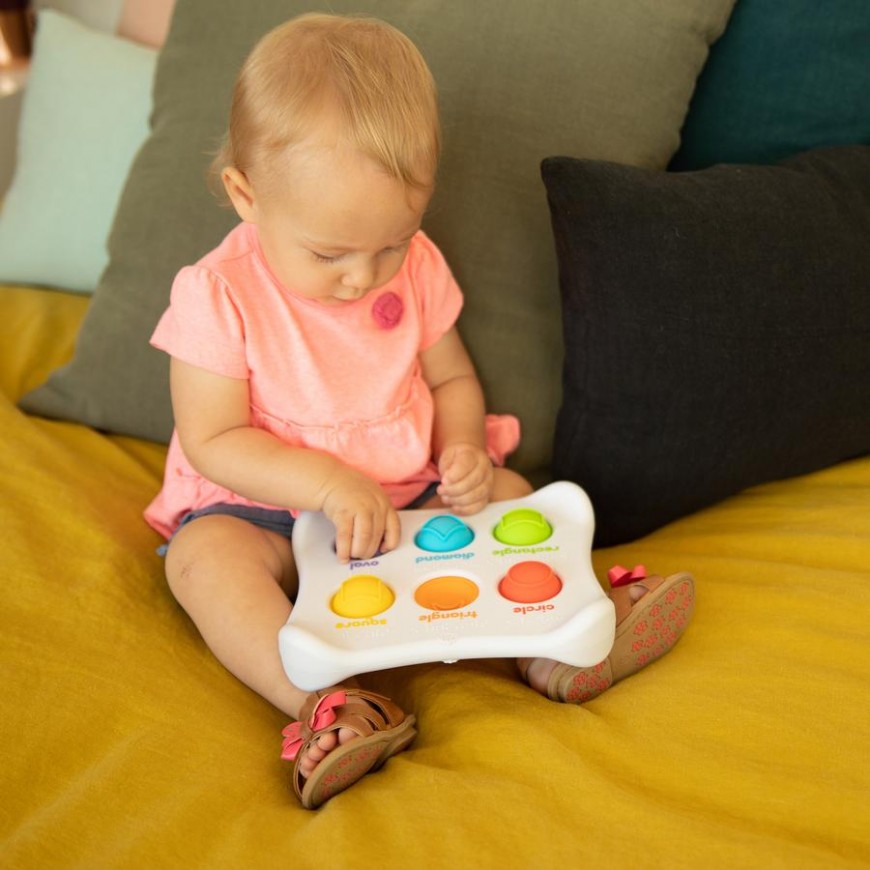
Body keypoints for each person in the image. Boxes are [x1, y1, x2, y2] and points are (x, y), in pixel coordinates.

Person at [144, 13, 695, 810]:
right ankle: (330, 705)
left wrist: (465, 448)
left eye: (393, 241)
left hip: (406, 508)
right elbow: (214, 437)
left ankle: (561, 646)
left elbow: (451, 382)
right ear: (245, 195)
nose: (364, 277)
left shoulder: (418, 266)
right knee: (204, 567)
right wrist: (328, 483)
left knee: (508, 496)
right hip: (260, 512)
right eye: (330, 253)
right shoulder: (217, 295)